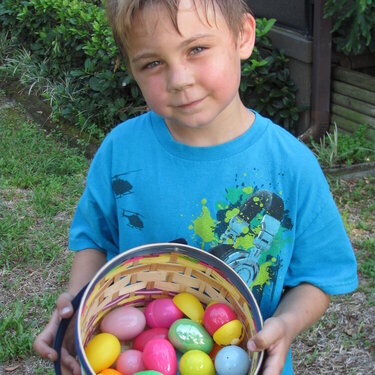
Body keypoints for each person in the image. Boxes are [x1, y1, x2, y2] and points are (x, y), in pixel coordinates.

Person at [33, 0, 358, 374]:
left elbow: (316, 279)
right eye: (152, 63)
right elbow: (93, 239)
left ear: (243, 36)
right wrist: (78, 306)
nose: (179, 79)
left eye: (197, 49)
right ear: (132, 70)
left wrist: (285, 325)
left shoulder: (293, 166)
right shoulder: (121, 152)